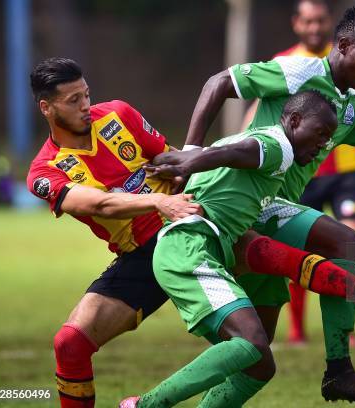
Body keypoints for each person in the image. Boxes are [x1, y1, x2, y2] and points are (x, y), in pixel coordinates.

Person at [177, 5, 355, 403]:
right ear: (344, 45)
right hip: (227, 204)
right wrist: (189, 155)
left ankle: (338, 371)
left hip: (268, 207)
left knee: (257, 358)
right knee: (337, 245)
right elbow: (218, 83)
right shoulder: (297, 71)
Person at [119, 90, 338, 407]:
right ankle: (145, 405)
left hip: (201, 247)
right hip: (191, 246)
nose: (323, 145)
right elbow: (236, 152)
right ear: (294, 120)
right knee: (251, 342)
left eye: (328, 138)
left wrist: (190, 161)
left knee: (259, 365)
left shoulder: (259, 149)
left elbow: (232, 153)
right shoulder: (278, 146)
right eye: (320, 134)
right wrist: (188, 160)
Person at [26, 58, 204, 407]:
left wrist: (176, 172)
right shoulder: (44, 171)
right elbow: (99, 205)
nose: (86, 106)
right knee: (69, 344)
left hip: (190, 226)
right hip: (141, 256)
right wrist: (156, 201)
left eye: (86, 94)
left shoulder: (119, 115)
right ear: (46, 108)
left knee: (247, 339)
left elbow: (175, 161)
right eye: (73, 100)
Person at [248, 0, 355, 346]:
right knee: (302, 250)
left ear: (329, 23)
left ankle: (345, 329)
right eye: (309, 21)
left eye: (320, 21)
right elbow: (259, 110)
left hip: (348, 173)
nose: (315, 27)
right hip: (305, 174)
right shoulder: (289, 65)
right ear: (297, 24)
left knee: (349, 239)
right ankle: (298, 329)